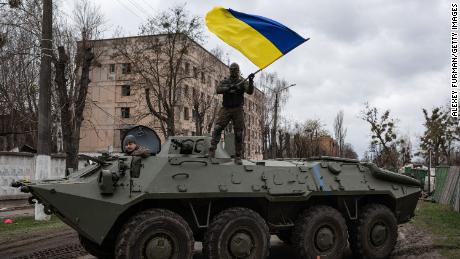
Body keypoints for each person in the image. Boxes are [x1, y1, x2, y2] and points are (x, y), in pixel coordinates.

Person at [209, 62, 254, 163]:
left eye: (235, 69)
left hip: (238, 109)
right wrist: (229, 88)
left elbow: (250, 91)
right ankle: (212, 149)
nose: (233, 71)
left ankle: (238, 155)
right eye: (231, 69)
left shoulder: (242, 81)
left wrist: (250, 81)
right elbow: (218, 89)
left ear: (238, 71)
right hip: (226, 108)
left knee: (239, 133)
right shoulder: (226, 81)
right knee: (217, 128)